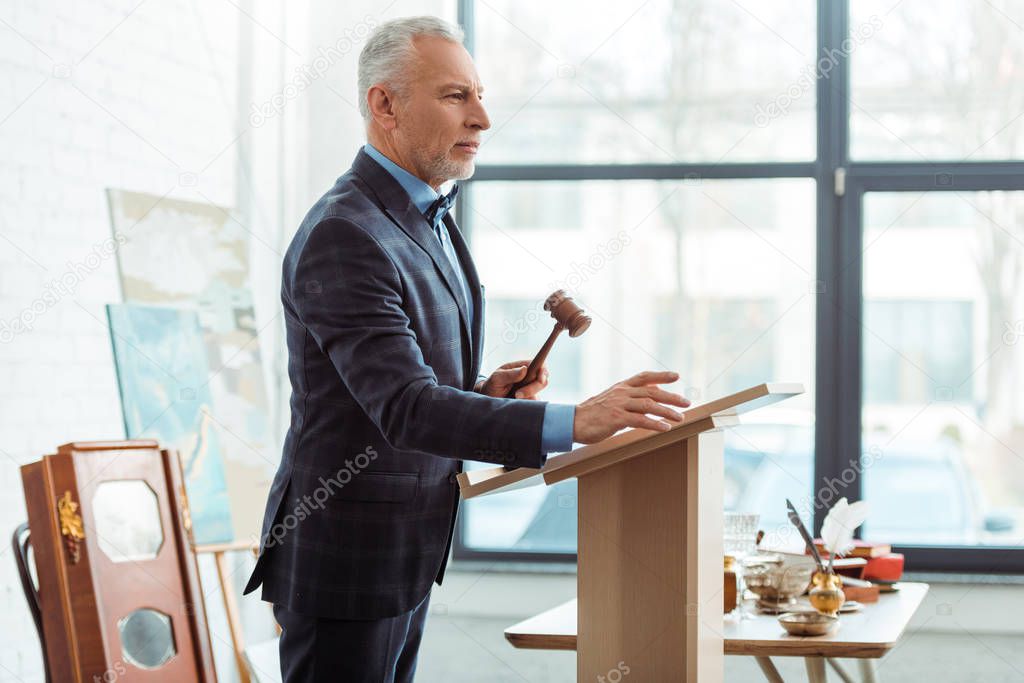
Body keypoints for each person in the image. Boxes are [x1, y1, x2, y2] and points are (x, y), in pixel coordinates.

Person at [243, 15, 691, 683]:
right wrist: (578, 421)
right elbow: (406, 407)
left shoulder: (429, 218)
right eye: (456, 96)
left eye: (480, 95)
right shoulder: (346, 234)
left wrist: (483, 393)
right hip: (345, 563)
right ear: (384, 104)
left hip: (405, 553)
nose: (481, 117)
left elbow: (405, 385)